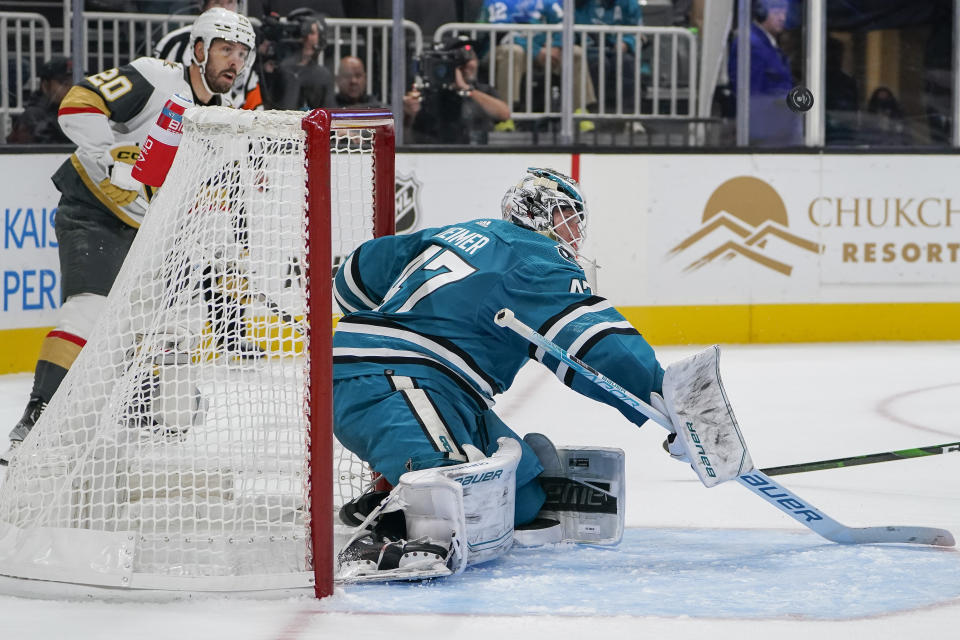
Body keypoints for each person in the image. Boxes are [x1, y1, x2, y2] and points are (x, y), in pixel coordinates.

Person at [331, 167, 667, 577]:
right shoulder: (539, 260)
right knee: (450, 498)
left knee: (521, 499)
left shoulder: (456, 232)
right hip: (392, 381)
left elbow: (352, 278)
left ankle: (405, 491)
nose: (576, 230)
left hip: (444, 390)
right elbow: (601, 346)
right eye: (569, 216)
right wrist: (665, 395)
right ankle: (385, 526)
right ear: (541, 212)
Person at [1, 8, 256, 465]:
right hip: (93, 210)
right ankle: (36, 420)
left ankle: (141, 411)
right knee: (89, 311)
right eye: (224, 49)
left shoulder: (228, 123)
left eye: (241, 53)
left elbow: (213, 192)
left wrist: (219, 249)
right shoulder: (156, 77)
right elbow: (78, 103)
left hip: (150, 233)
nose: (233, 63)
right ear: (199, 49)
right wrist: (110, 156)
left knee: (175, 332)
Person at [479, 0, 597, 115]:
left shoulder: (549, 2)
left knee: (575, 52)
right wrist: (536, 51)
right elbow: (502, 33)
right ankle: (506, 113)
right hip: (503, 50)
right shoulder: (497, 1)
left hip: (545, 51)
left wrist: (556, 46)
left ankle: (581, 111)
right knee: (513, 51)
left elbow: (564, 24)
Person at [153, 0, 263, 110]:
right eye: (217, 3)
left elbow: (255, 113)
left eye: (230, 2)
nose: (224, 9)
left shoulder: (242, 64)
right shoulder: (174, 43)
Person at [404, 36, 511, 144]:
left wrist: (466, 89)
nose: (468, 65)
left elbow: (504, 114)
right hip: (435, 153)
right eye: (460, 62)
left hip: (476, 152)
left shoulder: (483, 91)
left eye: (471, 58)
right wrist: (410, 115)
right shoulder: (429, 93)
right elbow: (410, 136)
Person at [727, 0, 802, 146]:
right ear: (761, 12)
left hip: (777, 129)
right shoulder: (751, 44)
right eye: (777, 12)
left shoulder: (768, 43)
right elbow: (751, 96)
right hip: (765, 134)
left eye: (784, 11)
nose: (782, 17)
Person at [574, 0, 644, 114]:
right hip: (589, 50)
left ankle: (630, 118)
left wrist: (626, 42)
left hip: (618, 50)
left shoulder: (629, 3)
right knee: (599, 64)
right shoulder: (578, 4)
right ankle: (592, 114)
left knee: (626, 63)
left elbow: (638, 32)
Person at [260, 9, 336, 110]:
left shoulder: (321, 75)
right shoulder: (278, 69)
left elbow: (328, 110)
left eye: (311, 32)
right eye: (302, 33)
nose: (306, 37)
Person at [5, 57, 74, 144]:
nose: (71, 88)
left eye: (75, 83)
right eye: (64, 83)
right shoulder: (33, 116)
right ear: (45, 86)